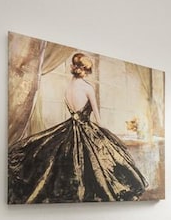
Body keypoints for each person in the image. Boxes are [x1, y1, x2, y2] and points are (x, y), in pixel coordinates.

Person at [8, 53, 148, 204]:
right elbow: (98, 120)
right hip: (86, 129)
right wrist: (108, 134)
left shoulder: (68, 88)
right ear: (85, 70)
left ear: (73, 68)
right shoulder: (88, 88)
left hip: (68, 129)